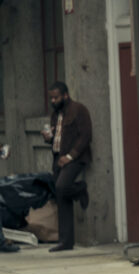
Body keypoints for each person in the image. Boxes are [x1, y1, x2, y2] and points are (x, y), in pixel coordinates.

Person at [41, 81, 91, 252]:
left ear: (65, 95)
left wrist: (70, 156)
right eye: (51, 98)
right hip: (57, 158)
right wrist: (48, 137)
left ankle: (80, 188)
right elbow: (56, 137)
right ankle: (66, 241)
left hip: (74, 158)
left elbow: (85, 136)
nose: (53, 101)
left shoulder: (79, 110)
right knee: (61, 196)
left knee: (62, 187)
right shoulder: (55, 115)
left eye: (56, 97)